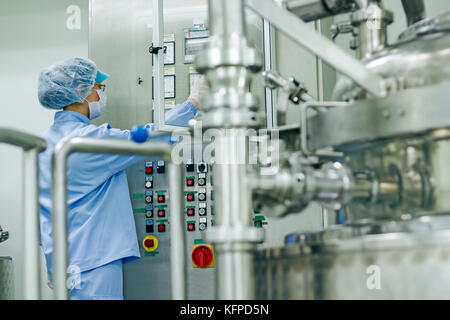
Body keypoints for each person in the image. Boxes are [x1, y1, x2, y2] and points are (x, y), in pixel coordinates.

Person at [37, 56, 207, 299]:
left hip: (66, 262)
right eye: (98, 88)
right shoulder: (85, 142)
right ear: (80, 91)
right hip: (93, 261)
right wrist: (193, 103)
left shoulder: (45, 143)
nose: (101, 95)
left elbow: (40, 211)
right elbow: (146, 137)